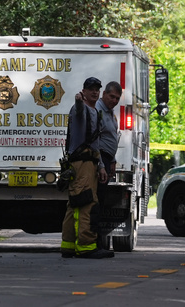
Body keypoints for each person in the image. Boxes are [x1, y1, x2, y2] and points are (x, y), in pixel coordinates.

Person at [60, 77, 113, 259]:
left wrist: (101, 166)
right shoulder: (79, 109)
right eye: (91, 89)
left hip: (87, 163)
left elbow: (95, 142)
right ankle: (86, 246)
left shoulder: (94, 111)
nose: (95, 92)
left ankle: (68, 245)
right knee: (87, 202)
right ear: (84, 91)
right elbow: (79, 109)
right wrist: (77, 100)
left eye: (97, 89)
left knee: (74, 203)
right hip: (82, 164)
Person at [94, 81, 122, 249]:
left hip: (106, 159)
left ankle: (97, 240)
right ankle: (94, 241)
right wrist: (100, 165)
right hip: (100, 159)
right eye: (111, 97)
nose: (114, 100)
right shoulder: (98, 110)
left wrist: (112, 160)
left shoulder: (110, 112)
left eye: (117, 98)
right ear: (104, 94)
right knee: (96, 201)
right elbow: (95, 140)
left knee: (101, 201)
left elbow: (111, 136)